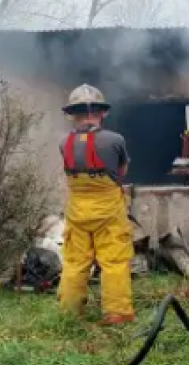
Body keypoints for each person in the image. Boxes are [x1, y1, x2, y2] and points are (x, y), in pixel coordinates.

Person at [57, 84, 136, 324]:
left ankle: (69, 313)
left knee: (74, 263)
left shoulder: (63, 142)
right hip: (109, 213)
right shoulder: (115, 140)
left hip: (77, 213)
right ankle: (117, 313)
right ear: (102, 112)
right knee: (114, 261)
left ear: (73, 114)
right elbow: (122, 171)